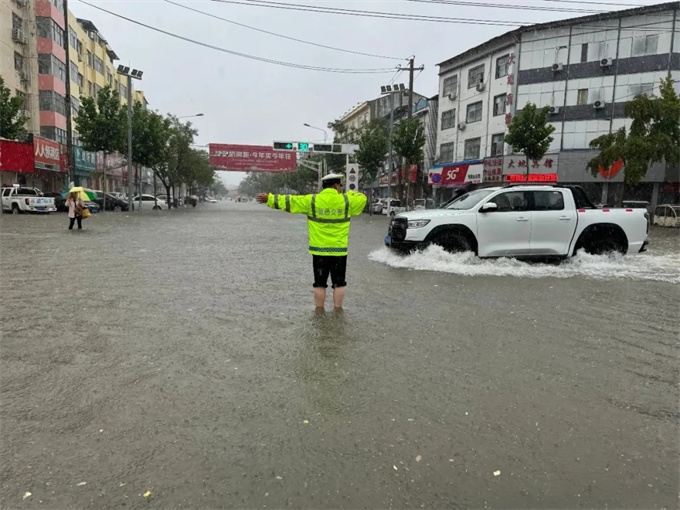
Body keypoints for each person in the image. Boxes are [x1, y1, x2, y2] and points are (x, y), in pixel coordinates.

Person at [256, 174, 367, 311]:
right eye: (340, 186)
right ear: (336, 185)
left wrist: (270, 198)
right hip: (339, 251)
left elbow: (291, 201)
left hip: (319, 251)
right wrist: (349, 192)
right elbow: (362, 198)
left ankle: (319, 312)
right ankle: (338, 311)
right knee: (339, 283)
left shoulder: (313, 200)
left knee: (319, 284)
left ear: (323, 186)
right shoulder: (346, 201)